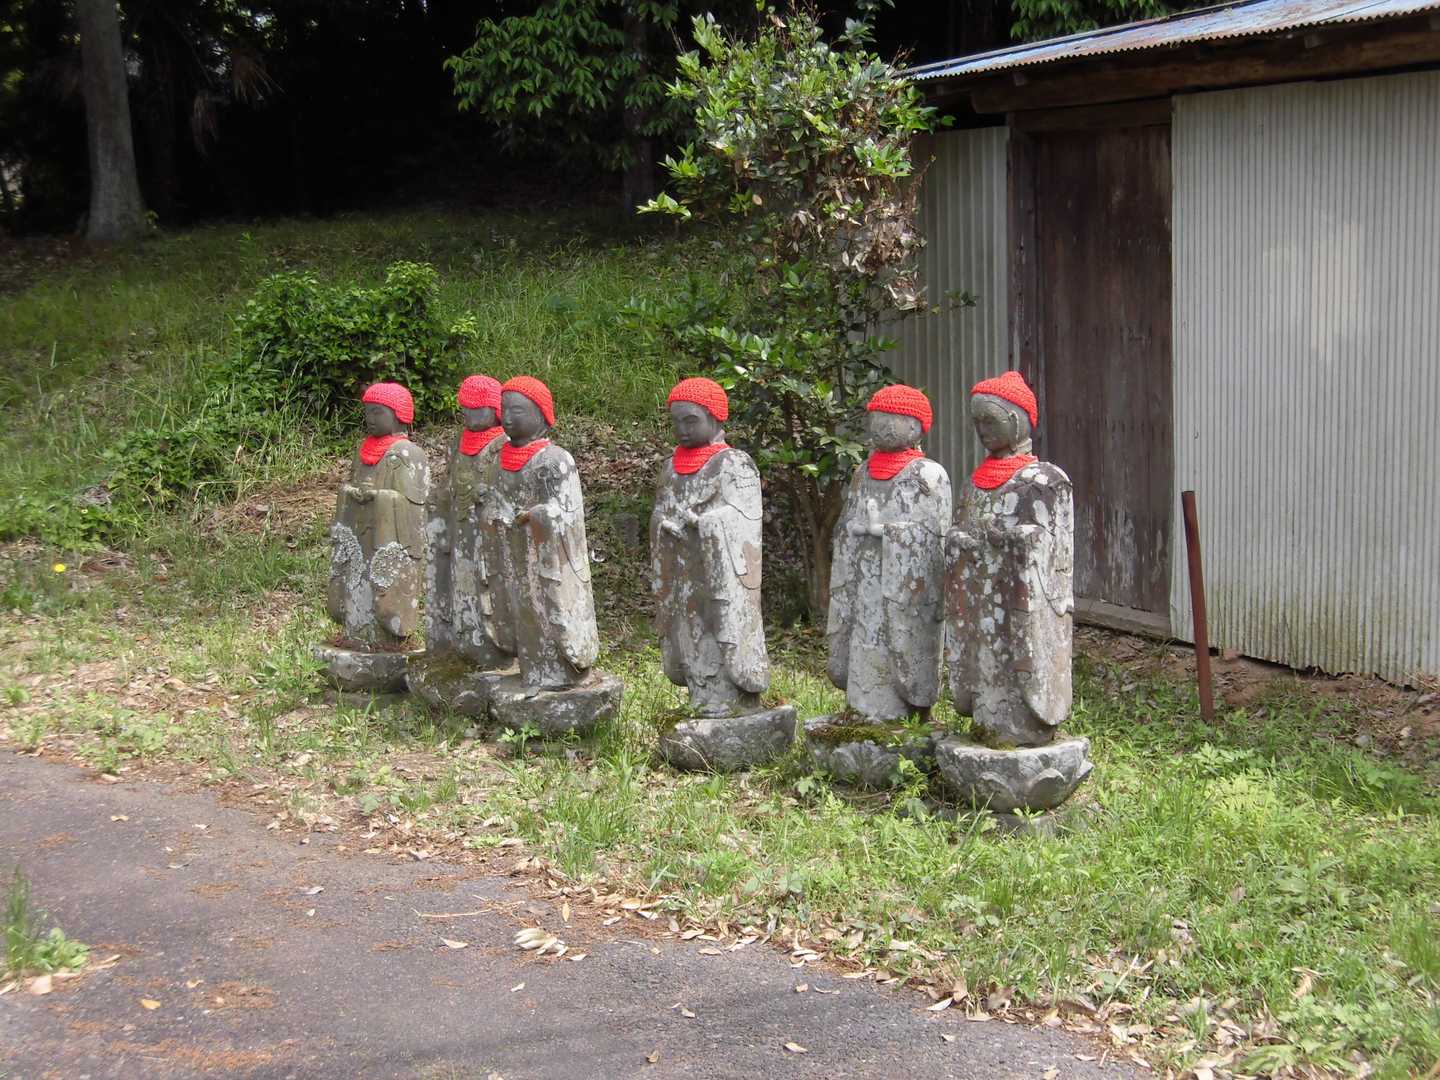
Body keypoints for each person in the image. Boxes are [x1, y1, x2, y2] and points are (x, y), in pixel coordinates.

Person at [946, 370, 1074, 746]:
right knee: (985, 659)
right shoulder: (973, 483)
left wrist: (1014, 540)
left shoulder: (1044, 480)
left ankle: (1023, 728)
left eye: (990, 420)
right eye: (977, 422)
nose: (982, 430)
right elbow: (958, 530)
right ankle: (986, 724)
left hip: (1020, 598)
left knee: (1014, 661)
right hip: (980, 598)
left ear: (1017, 420)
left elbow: (1055, 547)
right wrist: (961, 541)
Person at [827, 384, 952, 722]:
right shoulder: (862, 472)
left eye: (891, 420)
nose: (881, 426)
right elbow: (847, 521)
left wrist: (888, 532)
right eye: (877, 419)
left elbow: (933, 535)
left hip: (904, 589)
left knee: (897, 638)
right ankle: (862, 709)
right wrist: (852, 531)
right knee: (864, 634)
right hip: (864, 578)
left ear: (916, 427)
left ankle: (903, 713)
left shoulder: (928, 475)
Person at [650, 377, 769, 717]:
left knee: (717, 626)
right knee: (687, 628)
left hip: (719, 572)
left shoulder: (734, 463)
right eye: (676, 422)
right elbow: (660, 509)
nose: (682, 430)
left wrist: (706, 523)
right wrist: (663, 523)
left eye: (691, 421)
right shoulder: (670, 468)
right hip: (682, 569)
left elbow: (744, 516)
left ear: (715, 419)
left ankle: (729, 699)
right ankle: (700, 695)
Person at [481, 376, 600, 689]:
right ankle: (532, 671)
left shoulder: (555, 460)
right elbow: (494, 501)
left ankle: (559, 674)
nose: (508, 417)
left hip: (546, 559)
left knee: (545, 609)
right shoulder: (499, 460)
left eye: (518, 410)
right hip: (513, 555)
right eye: (504, 410)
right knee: (522, 609)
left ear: (541, 415)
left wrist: (536, 516)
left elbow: (566, 514)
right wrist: (494, 514)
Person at [327, 382, 430, 646]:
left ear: (398, 415)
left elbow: (413, 505)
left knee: (381, 586)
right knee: (355, 577)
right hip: (360, 531)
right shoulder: (363, 451)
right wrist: (351, 493)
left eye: (377, 412)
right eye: (367, 412)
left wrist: (379, 498)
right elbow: (351, 484)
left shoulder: (407, 454)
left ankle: (384, 640)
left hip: (387, 537)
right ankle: (356, 633)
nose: (370, 418)